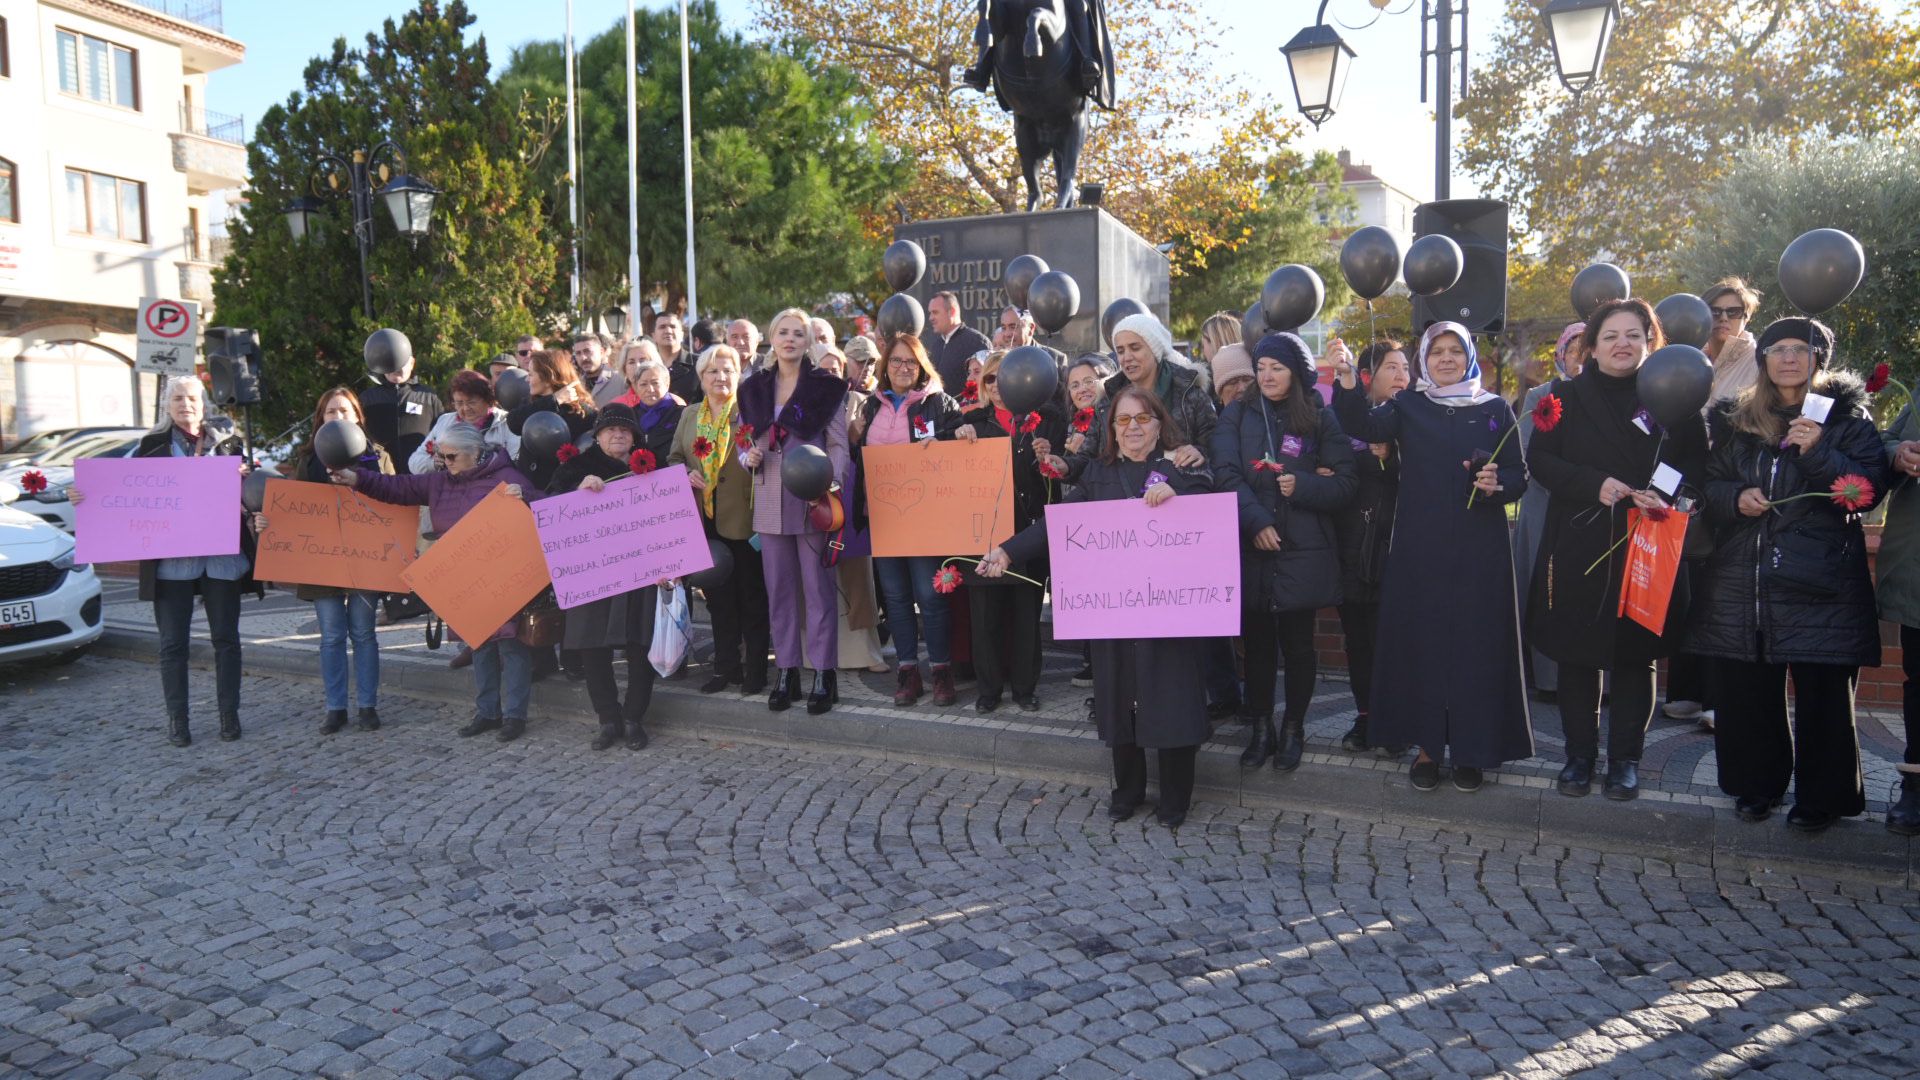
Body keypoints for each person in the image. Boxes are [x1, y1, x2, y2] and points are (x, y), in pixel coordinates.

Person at [1687, 317, 1886, 831]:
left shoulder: (1849, 421)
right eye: (1778, 349)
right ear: (1764, 358)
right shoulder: (1735, 419)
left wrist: (1818, 450)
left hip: (1822, 582)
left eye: (1802, 349)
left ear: (1818, 358)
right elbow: (1708, 486)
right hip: (1745, 578)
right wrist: (1735, 498)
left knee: (1822, 695)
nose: (1789, 358)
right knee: (1748, 692)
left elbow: (1864, 490)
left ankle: (1823, 798)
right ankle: (1757, 787)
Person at [981, 387, 1212, 828]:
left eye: (1142, 419)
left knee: (1172, 700)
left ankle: (1175, 799)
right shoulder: (1099, 476)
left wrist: (1179, 496)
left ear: (1159, 424)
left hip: (1169, 613)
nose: (1133, 429)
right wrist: (1008, 552)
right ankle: (1127, 791)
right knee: (1119, 699)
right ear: (1111, 430)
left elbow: (1212, 505)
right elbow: (1058, 523)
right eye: (1122, 421)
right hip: (1115, 611)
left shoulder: (1182, 466)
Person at [1332, 321, 1533, 791]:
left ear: (1469, 357)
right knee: (1423, 646)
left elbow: (1518, 476)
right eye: (1437, 351)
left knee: (1475, 649)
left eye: (1455, 351)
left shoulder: (1495, 409)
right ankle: (1426, 749)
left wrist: (1496, 484)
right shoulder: (1409, 405)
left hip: (1480, 550)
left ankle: (1472, 750)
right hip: (1419, 551)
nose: (1446, 359)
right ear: (1425, 359)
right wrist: (1345, 378)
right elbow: (1361, 424)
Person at [1525, 300, 1710, 801]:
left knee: (1636, 657)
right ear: (1593, 345)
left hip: (1648, 541)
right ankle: (1579, 757)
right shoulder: (1564, 397)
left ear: (1651, 343)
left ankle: (1625, 760)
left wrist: (1663, 493)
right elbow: (1538, 459)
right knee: (1576, 656)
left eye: (1634, 334)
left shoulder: (1674, 394)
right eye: (1610, 336)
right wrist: (1593, 484)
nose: (1622, 344)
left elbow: (1695, 463)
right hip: (1580, 540)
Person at [72, 376, 255, 747]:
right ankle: (178, 719)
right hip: (173, 562)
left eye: (191, 398)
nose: (185, 404)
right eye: (177, 399)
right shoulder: (151, 446)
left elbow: (252, 493)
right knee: (173, 644)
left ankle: (228, 714)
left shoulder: (230, 444)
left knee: (227, 639)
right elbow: (118, 486)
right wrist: (84, 494)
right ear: (167, 407)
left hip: (221, 558)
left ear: (203, 405)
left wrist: (245, 483)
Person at [338, 425, 539, 743]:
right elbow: (398, 488)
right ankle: (488, 712)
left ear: (475, 454)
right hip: (467, 580)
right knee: (480, 645)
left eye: (451, 456)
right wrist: (358, 479)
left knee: (512, 647)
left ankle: (515, 715)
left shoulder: (508, 479)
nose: (444, 462)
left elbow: (543, 508)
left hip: (504, 578)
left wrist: (526, 497)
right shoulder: (439, 482)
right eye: (440, 455)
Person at [1211, 332, 1357, 769]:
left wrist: (1305, 485)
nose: (1268, 376)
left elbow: (1346, 481)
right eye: (1261, 368)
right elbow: (1225, 473)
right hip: (1253, 547)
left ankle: (1294, 728)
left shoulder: (1317, 414)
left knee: (1297, 646)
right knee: (1256, 647)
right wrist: (1255, 521)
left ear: (1294, 372)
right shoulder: (1236, 414)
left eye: (1276, 368)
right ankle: (1261, 729)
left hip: (1303, 549)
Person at [260, 387, 395, 735]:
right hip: (323, 563)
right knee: (332, 636)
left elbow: (396, 502)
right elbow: (293, 509)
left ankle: (368, 706)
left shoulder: (377, 456)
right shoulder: (309, 460)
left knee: (364, 633)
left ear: (357, 417)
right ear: (321, 419)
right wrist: (264, 519)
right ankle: (335, 707)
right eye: (331, 412)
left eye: (345, 411)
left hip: (366, 559)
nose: (338, 417)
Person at [739, 307, 852, 714]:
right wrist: (744, 456)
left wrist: (831, 479)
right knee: (779, 592)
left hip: (811, 496)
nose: (790, 339)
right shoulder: (753, 388)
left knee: (818, 591)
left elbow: (839, 444)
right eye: (783, 332)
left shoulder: (826, 387)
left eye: (798, 334)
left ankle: (824, 673)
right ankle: (786, 671)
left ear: (809, 342)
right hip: (769, 494)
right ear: (772, 338)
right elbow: (741, 439)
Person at [945, 349, 1064, 712]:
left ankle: (1025, 688)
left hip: (1028, 533)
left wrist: (1048, 457)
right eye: (990, 379)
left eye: (1004, 377)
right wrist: (956, 437)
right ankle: (989, 690)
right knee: (986, 618)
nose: (998, 386)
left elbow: (1065, 470)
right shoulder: (972, 422)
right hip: (984, 536)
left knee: (1027, 616)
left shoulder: (1048, 419)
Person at [545, 403, 662, 751]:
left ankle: (634, 718)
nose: (618, 435)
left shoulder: (655, 468)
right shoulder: (576, 468)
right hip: (592, 570)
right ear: (597, 435)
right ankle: (608, 719)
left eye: (625, 430)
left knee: (642, 643)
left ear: (635, 437)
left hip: (642, 570)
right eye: (610, 429)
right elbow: (551, 505)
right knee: (592, 644)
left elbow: (672, 515)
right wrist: (576, 491)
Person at [858, 333, 962, 706]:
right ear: (885, 366)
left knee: (929, 596)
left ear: (921, 367)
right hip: (883, 517)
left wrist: (952, 440)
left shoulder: (939, 403)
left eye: (911, 362)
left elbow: (960, 450)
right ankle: (907, 671)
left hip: (924, 518)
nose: (904, 368)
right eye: (897, 361)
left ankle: (941, 670)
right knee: (897, 598)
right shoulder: (872, 406)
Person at [669, 345, 770, 696]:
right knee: (717, 599)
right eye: (713, 371)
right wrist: (683, 473)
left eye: (727, 370)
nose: (720, 377)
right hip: (703, 519)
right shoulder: (690, 414)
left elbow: (770, 451)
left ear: (738, 373)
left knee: (751, 598)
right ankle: (725, 667)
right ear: (702, 377)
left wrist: (760, 456)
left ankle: (755, 669)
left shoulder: (748, 411)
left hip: (744, 518)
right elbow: (674, 457)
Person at [1329, 340, 1409, 753]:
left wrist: (1394, 459)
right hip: (1350, 547)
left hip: (1396, 550)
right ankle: (1365, 717)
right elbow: (1329, 466)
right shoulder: (1340, 418)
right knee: (1357, 639)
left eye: (1405, 368)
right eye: (1392, 368)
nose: (1401, 375)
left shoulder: (1413, 419)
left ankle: (1395, 720)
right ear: (1367, 377)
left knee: (1391, 641)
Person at [1513, 322, 1587, 699]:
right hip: (1544, 504)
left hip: (1593, 509)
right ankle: (1547, 680)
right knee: (1544, 589)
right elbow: (1527, 452)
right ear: (1561, 353)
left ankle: (1593, 679)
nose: (1582, 356)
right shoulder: (1540, 395)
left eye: (1589, 348)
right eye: (1575, 349)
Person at [812, 345, 888, 674]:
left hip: (853, 501)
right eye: (823, 369)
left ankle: (867, 653)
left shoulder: (861, 403)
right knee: (817, 578)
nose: (830, 374)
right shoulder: (803, 405)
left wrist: (858, 439)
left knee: (858, 578)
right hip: (813, 501)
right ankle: (816, 653)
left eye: (836, 368)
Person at [1086, 313, 1215, 469]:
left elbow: (1216, 447)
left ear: (1155, 350)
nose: (1127, 357)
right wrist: (1065, 465)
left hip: (1178, 489)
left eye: (1135, 348)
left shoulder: (1190, 394)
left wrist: (1198, 452)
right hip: (1121, 490)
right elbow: (1089, 457)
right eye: (1120, 351)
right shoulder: (1107, 399)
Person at [1875, 386, 1920, 833]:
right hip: (1917, 568)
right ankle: (1916, 785)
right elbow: (1887, 439)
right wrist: (1898, 453)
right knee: (1919, 682)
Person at [1061, 354, 1110, 688]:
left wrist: (1086, 452)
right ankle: (1092, 659)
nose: (1081, 389)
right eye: (1074, 384)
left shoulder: (1113, 417)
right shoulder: (1072, 423)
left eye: (1088, 381)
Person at [507, 349, 598, 494]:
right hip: (527, 490)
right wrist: (554, 400)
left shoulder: (582, 412)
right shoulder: (530, 404)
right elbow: (513, 422)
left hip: (561, 494)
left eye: (531, 374)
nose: (526, 379)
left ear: (548, 376)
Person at [410, 370, 519, 475]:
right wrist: (433, 464)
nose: (466, 408)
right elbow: (414, 463)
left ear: (488, 400)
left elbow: (516, 465)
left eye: (471, 402)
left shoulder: (505, 422)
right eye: (459, 403)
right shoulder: (445, 421)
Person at [360, 348, 444, 475]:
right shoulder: (368, 398)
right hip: (380, 477)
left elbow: (443, 434)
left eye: (402, 361)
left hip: (419, 478)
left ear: (412, 363)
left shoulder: (428, 397)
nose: (396, 367)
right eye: (391, 362)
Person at [1704, 277, 1763, 406]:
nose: (1723, 318)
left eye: (1733, 312)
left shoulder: (1759, 363)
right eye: (1715, 311)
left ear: (1746, 317)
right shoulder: (1691, 359)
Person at [922, 291, 993, 392]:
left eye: (935, 312)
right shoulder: (935, 346)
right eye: (930, 313)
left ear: (952, 312)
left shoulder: (977, 342)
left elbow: (987, 385)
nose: (930, 318)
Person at [618, 359, 684, 463]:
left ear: (667, 383)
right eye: (643, 384)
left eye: (655, 383)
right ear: (636, 387)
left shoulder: (682, 414)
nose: (650, 389)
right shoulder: (629, 416)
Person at [654, 311, 700, 402]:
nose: (668, 331)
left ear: (682, 334)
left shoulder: (699, 363)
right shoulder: (647, 366)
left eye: (673, 327)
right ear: (653, 335)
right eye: (662, 327)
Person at [572, 332, 623, 407]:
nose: (583, 358)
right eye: (578, 353)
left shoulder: (620, 380)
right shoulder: (575, 385)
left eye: (587, 351)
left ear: (601, 352)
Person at [1209, 342, 1254, 409]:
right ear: (1220, 392)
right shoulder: (1212, 418)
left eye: (1247, 380)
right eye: (1233, 382)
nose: (1241, 388)